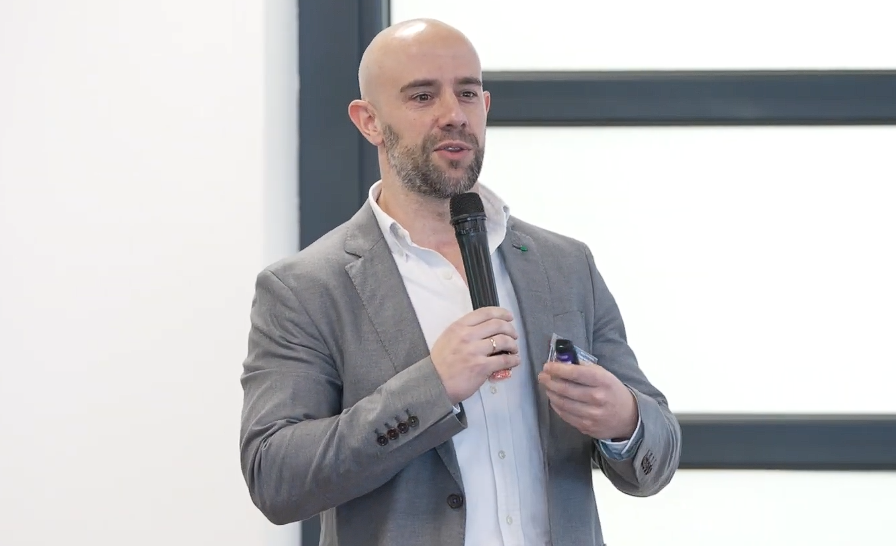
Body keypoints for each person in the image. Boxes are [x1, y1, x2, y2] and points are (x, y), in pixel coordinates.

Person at [239, 18, 681, 546]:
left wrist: (623, 420)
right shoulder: (305, 288)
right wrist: (433, 386)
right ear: (369, 122)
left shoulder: (565, 265)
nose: (453, 114)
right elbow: (275, 478)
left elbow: (658, 455)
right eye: (423, 96)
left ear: (486, 107)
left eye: (467, 93)